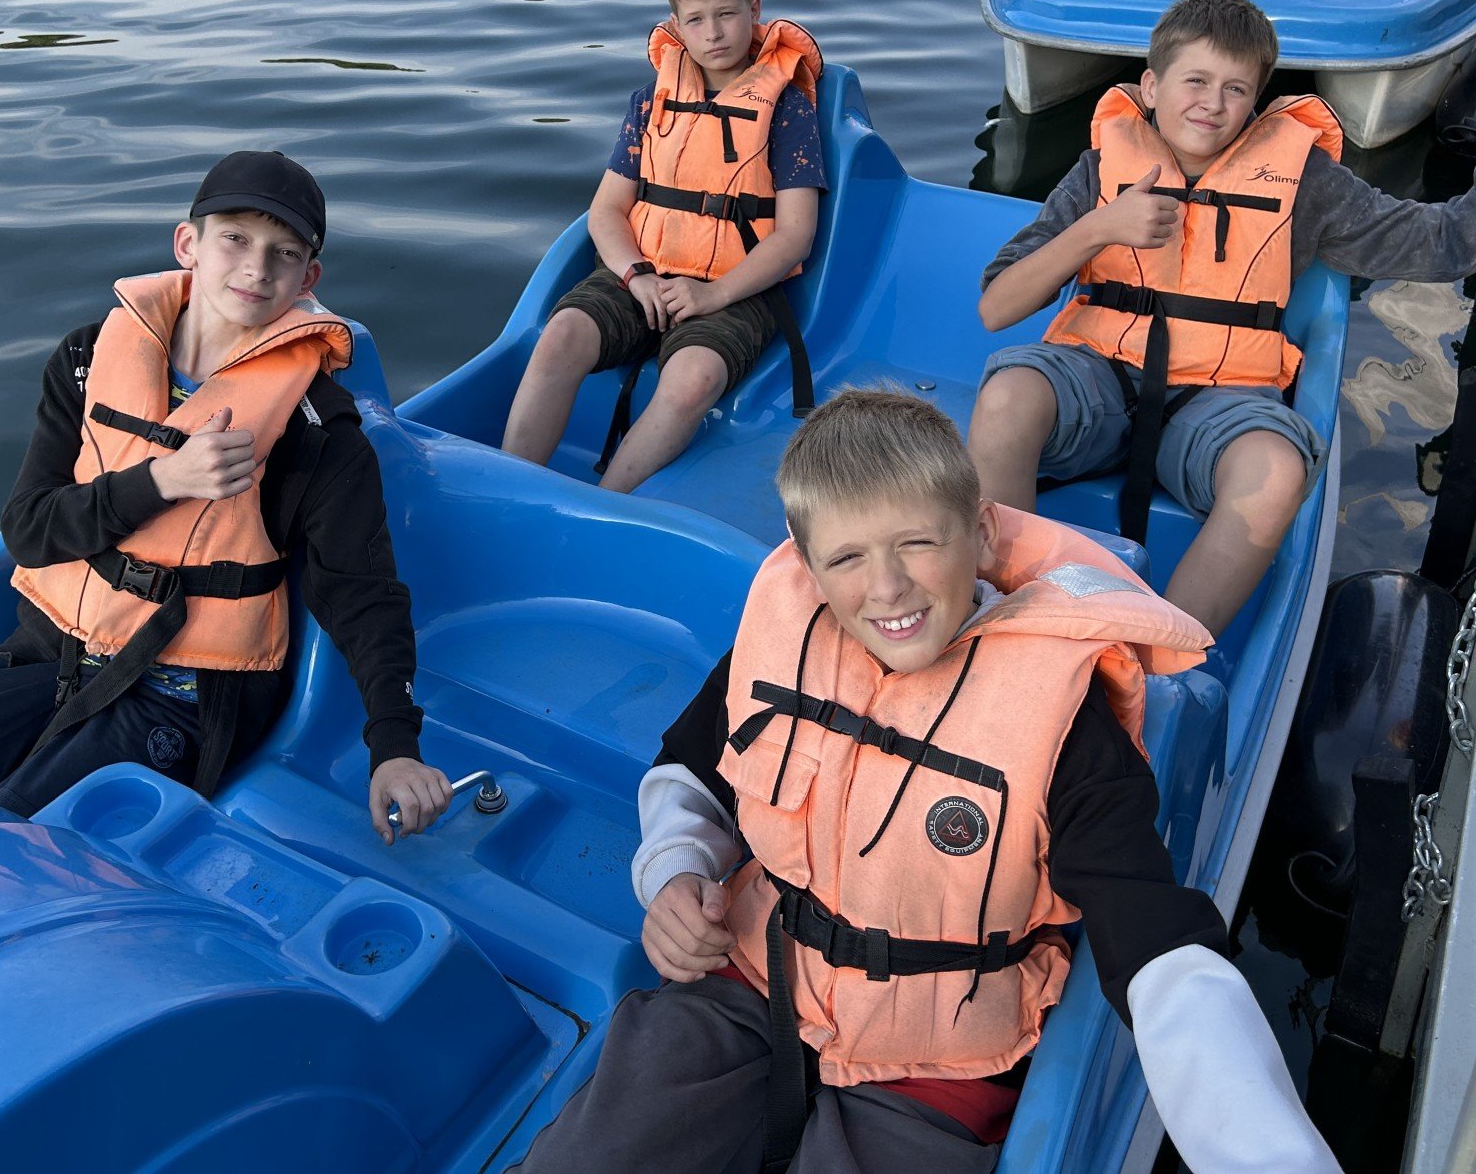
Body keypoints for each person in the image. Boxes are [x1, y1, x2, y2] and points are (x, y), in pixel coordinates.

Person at [515, 388, 1341, 1173]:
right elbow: (692, 772)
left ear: (978, 533)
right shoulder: (785, 641)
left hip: (941, 1055)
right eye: (847, 557)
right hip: (756, 972)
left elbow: (1154, 936)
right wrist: (673, 874)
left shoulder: (1062, 717)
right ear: (808, 564)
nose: (887, 589)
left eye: (917, 543)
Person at [0, 151, 452, 840]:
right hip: (50, 655)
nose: (258, 268)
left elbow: (362, 595)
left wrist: (395, 747)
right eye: (235, 238)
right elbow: (29, 531)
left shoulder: (317, 429)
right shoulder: (86, 360)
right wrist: (165, 482)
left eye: (285, 253)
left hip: (188, 695)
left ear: (308, 278)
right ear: (188, 244)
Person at [969, 0, 1476, 633]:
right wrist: (1098, 229)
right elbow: (998, 307)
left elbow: (1445, 243)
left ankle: (1158, 654)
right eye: (1195, 80)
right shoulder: (1097, 172)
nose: (1213, 104)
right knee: (1007, 396)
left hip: (1220, 401)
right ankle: (1010, 617)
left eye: (1236, 89)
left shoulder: (1306, 183)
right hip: (1098, 378)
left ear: (1256, 100)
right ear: (1151, 86)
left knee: (1277, 471)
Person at [502, 0, 825, 492]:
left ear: (754, 10)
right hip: (642, 275)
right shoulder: (650, 100)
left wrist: (712, 295)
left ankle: (608, 502)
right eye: (696, 20)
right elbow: (606, 211)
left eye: (727, 14)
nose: (714, 33)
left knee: (693, 378)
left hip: (734, 290)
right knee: (560, 335)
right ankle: (510, 486)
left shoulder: (788, 108)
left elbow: (795, 235)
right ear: (676, 25)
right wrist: (636, 275)